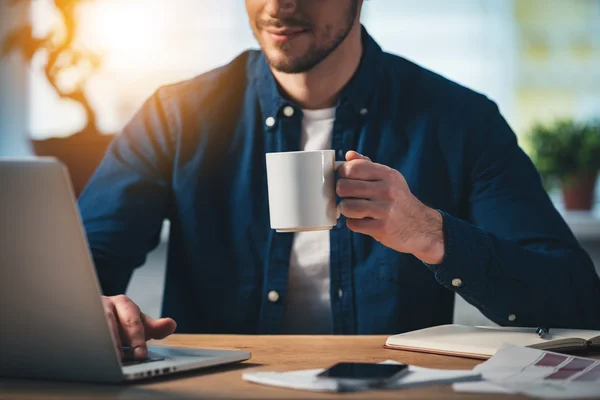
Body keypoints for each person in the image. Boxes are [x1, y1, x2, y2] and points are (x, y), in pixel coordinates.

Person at [79, 0, 600, 361]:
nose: (279, 7)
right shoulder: (176, 116)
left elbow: (577, 302)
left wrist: (432, 234)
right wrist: (92, 308)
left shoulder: (460, 120)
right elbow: (79, 269)